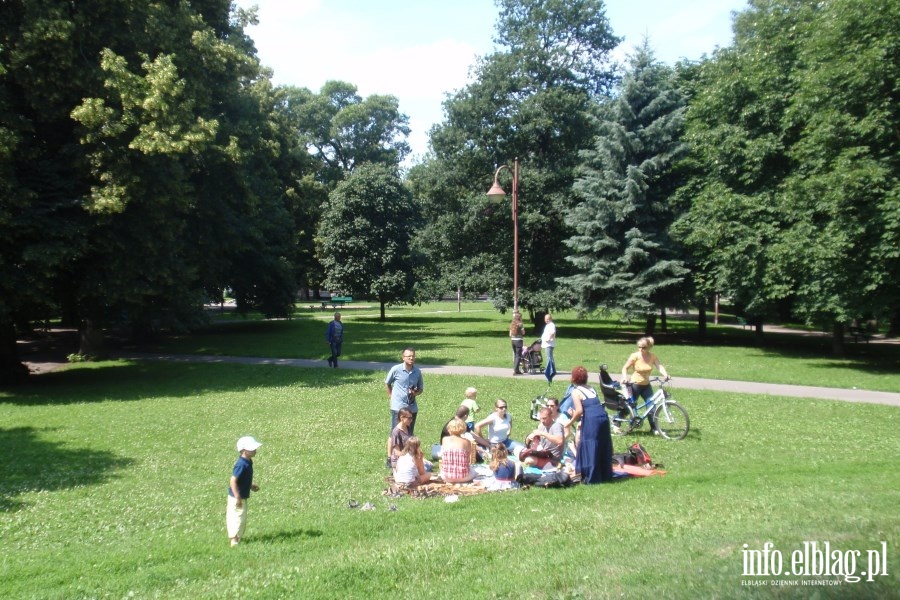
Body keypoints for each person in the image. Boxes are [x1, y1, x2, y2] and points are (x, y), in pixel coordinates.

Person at [569, 366, 613, 484]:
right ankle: (605, 474)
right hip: (603, 417)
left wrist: (569, 422)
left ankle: (592, 477)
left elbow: (579, 411)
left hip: (592, 420)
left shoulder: (575, 391)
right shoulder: (591, 388)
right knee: (603, 444)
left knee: (590, 444)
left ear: (573, 378)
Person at [384, 347, 424, 466]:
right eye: (408, 356)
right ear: (403, 357)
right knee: (394, 433)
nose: (411, 358)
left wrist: (415, 392)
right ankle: (390, 457)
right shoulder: (396, 369)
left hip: (411, 408)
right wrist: (390, 395)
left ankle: (407, 457)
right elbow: (387, 383)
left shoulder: (417, 372)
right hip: (398, 407)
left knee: (409, 434)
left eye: (413, 356)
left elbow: (421, 388)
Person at [227, 435, 262, 547]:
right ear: (244, 451)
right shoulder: (241, 464)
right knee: (237, 517)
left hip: (242, 495)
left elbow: (242, 479)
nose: (255, 450)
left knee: (241, 517)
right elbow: (233, 480)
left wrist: (250, 485)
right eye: (252, 449)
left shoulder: (248, 461)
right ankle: (234, 539)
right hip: (237, 496)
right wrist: (237, 497)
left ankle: (237, 538)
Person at [621, 336, 670, 406]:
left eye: (644, 347)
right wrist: (625, 377)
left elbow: (659, 366)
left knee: (652, 407)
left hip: (646, 385)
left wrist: (665, 374)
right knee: (629, 407)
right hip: (635, 385)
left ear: (649, 347)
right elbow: (625, 368)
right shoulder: (635, 356)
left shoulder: (653, 356)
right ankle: (618, 416)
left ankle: (651, 417)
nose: (641, 349)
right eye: (639, 347)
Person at [439, 418, 474, 483]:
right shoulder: (467, 442)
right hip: (464, 477)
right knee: (474, 471)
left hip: (446, 477)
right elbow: (468, 460)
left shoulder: (445, 439)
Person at [541, 313, 557, 382]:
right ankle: (551, 369)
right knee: (549, 357)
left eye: (548, 319)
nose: (546, 320)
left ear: (550, 319)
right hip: (547, 344)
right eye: (545, 319)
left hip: (549, 344)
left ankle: (550, 370)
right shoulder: (548, 325)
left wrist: (548, 338)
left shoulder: (551, 325)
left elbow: (553, 332)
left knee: (549, 357)